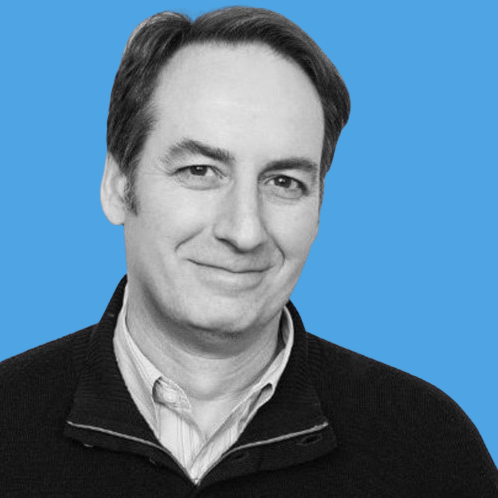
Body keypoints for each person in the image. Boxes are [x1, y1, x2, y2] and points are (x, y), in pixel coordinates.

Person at [1, 6, 497, 497]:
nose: (244, 231)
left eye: (283, 182)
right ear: (117, 185)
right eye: (200, 171)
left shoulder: (429, 447)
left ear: (319, 206)